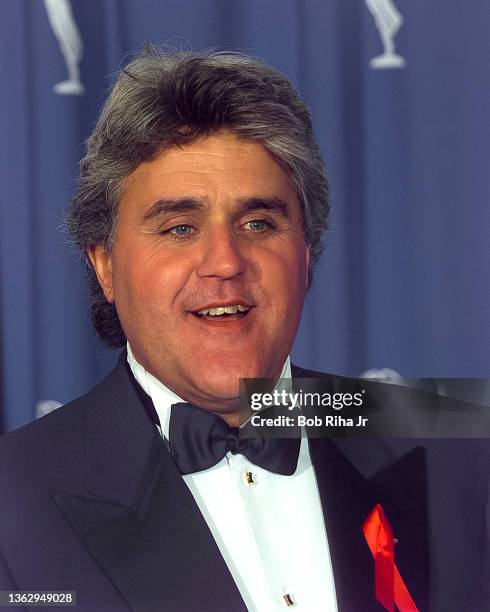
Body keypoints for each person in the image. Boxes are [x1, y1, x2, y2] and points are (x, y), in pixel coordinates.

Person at [0, 46, 487, 612]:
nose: (226, 261)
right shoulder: (12, 496)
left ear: (306, 252)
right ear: (105, 264)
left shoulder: (462, 446)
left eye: (259, 222)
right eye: (179, 228)